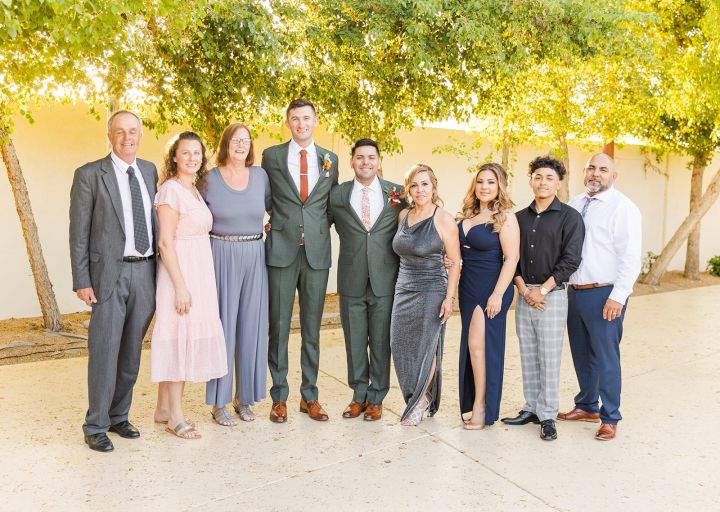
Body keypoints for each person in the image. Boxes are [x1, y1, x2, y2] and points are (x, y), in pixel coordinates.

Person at [70, 110, 158, 452]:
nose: (127, 138)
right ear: (109, 136)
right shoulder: (90, 175)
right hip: (109, 274)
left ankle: (119, 416)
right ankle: (95, 425)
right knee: (105, 351)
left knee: (131, 352)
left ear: (140, 135)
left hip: (145, 272)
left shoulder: (149, 171)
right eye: (120, 132)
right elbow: (79, 232)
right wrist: (82, 279)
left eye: (132, 131)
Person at [262, 99, 339, 423]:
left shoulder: (330, 159)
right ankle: (279, 397)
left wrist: (316, 229)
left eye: (306, 118)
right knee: (279, 326)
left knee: (312, 329)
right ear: (288, 122)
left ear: (315, 120)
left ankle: (310, 396)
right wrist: (277, 223)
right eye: (295, 119)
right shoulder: (272, 156)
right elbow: (265, 197)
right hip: (281, 251)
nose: (301, 124)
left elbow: (331, 204)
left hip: (316, 254)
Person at [559, 152, 641, 441]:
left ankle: (610, 417)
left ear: (613, 176)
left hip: (605, 292)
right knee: (582, 353)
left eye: (603, 169)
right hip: (575, 291)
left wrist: (618, 296)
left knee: (606, 357)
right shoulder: (575, 204)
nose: (596, 173)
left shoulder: (623, 208)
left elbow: (631, 257)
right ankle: (587, 405)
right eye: (591, 168)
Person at [501, 156, 584, 441]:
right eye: (538, 177)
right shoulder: (518, 218)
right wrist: (524, 290)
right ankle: (532, 408)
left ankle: (548, 415)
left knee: (549, 356)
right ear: (531, 181)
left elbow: (571, 260)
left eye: (549, 177)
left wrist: (542, 291)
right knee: (528, 353)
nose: (543, 182)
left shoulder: (570, 217)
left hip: (553, 295)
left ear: (559, 183)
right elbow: (511, 258)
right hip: (524, 292)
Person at [151, 131, 228, 439]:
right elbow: (165, 242)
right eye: (185, 152)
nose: (192, 158)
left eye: (197, 153)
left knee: (180, 337)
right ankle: (176, 418)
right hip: (179, 275)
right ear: (174, 157)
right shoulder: (171, 190)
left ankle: (163, 409)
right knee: (178, 341)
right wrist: (181, 287)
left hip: (199, 273)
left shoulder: (193, 189)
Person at [328, 139, 403, 421]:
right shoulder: (337, 194)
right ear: (351, 162)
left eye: (371, 157)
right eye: (360, 157)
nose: (366, 162)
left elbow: (414, 223)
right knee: (355, 341)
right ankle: (358, 395)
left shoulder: (397, 193)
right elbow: (318, 223)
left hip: (385, 278)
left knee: (381, 342)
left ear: (379, 161)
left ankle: (376, 397)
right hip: (351, 278)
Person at [202, 123, 272, 426]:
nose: (241, 145)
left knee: (251, 328)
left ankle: (245, 398)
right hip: (220, 255)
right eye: (235, 140)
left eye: (246, 140)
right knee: (224, 330)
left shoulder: (261, 176)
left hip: (255, 255)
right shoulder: (209, 179)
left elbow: (273, 209)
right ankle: (219, 403)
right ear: (225, 144)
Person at [391, 164, 461, 426]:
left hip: (432, 289)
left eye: (424, 184)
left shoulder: (443, 219)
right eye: (414, 185)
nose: (419, 190)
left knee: (426, 347)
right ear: (408, 189)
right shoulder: (403, 216)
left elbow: (455, 262)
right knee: (399, 346)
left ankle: (419, 401)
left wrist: (449, 299)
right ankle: (418, 395)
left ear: (433, 187)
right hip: (403, 288)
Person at [457, 162, 520, 430]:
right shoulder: (467, 215)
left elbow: (512, 258)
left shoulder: (505, 217)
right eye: (480, 181)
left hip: (492, 287)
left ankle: (482, 407)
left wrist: (497, 294)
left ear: (500, 186)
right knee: (472, 347)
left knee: (481, 347)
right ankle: (476, 402)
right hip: (468, 287)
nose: (484, 187)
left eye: (491, 182)